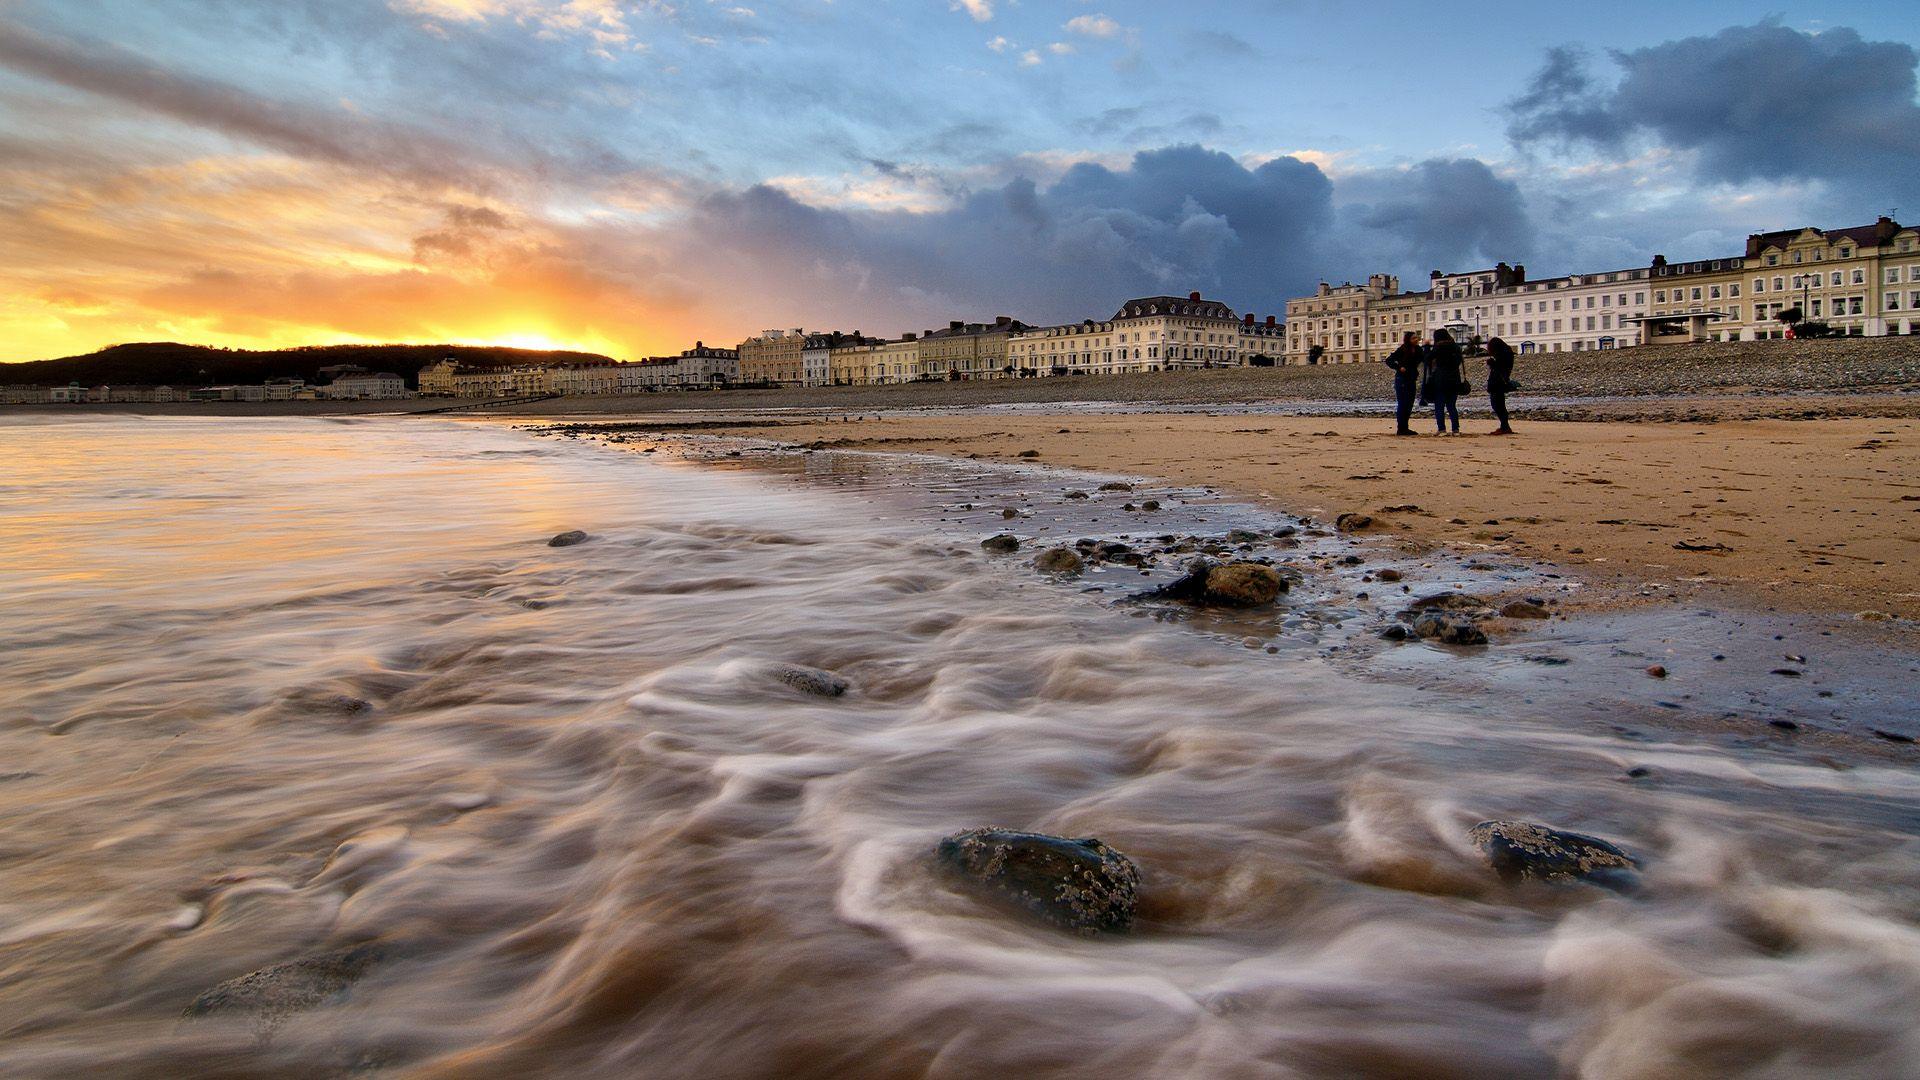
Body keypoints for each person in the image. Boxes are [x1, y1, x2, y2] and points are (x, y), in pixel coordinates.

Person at [1424, 328, 1463, 434]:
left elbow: (1427, 359)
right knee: (1451, 405)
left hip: (1440, 379)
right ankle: (1455, 429)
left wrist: (1427, 347)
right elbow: (1459, 361)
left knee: (1439, 405)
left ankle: (1442, 429)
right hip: (1454, 379)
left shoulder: (1438, 347)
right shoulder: (1455, 347)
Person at [1383, 331, 1422, 435]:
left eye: (1416, 338)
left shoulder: (1418, 349)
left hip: (1411, 379)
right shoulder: (1403, 349)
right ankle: (1401, 428)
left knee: (1409, 404)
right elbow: (1389, 360)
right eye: (1413, 338)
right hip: (1402, 379)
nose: (1416, 340)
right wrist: (1399, 367)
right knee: (1403, 404)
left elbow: (1425, 358)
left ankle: (1405, 427)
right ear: (1408, 339)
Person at [1485, 336, 1516, 435]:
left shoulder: (1503, 355)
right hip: (1500, 382)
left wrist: (1493, 363)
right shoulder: (1507, 353)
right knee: (1500, 405)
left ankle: (1505, 426)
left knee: (1498, 405)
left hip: (1497, 383)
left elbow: (1500, 368)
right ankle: (1504, 426)